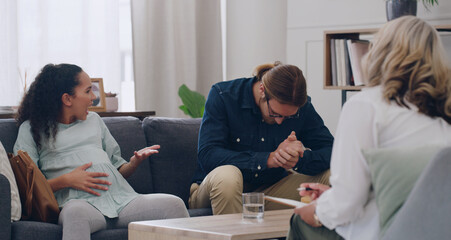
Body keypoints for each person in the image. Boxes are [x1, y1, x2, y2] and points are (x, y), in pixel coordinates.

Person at [288, 16, 451, 240]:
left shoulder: (365, 106)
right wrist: (333, 196)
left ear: (381, 52)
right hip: (437, 230)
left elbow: (348, 203)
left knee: (299, 222)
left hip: (382, 232)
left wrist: (318, 212)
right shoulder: (444, 112)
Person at [13, 64, 189, 240]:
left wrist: (134, 163)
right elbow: (27, 187)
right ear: (67, 99)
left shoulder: (94, 120)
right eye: (88, 91)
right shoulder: (30, 130)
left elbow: (119, 168)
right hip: (81, 206)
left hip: (122, 202)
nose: (94, 97)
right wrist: (66, 180)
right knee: (75, 214)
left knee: (174, 204)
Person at [189, 62, 334, 215]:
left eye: (289, 116)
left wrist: (298, 159)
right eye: (275, 113)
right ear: (262, 90)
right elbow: (208, 155)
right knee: (228, 177)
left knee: (331, 177)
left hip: (270, 191)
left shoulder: (301, 107)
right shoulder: (223, 95)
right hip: (217, 190)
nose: (280, 121)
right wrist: (267, 159)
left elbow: (332, 150)